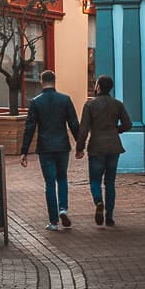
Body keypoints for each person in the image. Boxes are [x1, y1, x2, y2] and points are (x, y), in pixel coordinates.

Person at [20, 69, 80, 231]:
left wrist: (24, 150)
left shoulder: (36, 102)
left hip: (45, 147)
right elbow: (74, 123)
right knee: (62, 178)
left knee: (49, 182)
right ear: (54, 81)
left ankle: (53, 221)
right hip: (62, 145)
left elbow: (30, 127)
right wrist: (80, 145)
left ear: (41, 82)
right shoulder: (65, 100)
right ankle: (63, 209)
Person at [76, 75, 132, 227]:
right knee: (110, 182)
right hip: (114, 146)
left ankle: (98, 202)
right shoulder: (117, 104)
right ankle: (110, 217)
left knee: (95, 180)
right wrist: (116, 130)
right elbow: (128, 124)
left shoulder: (90, 105)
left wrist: (79, 148)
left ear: (98, 87)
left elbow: (83, 129)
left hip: (96, 147)